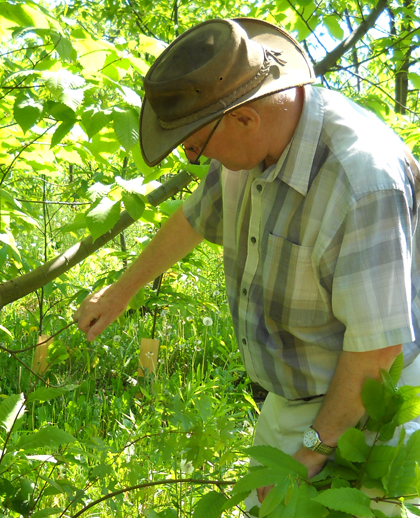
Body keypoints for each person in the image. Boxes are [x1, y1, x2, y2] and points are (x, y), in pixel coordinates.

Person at [75, 18, 420, 516]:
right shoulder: (242, 146)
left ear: (245, 119)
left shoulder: (362, 181)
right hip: (293, 400)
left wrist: (311, 453)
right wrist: (121, 291)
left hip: (374, 414)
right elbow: (197, 216)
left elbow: (376, 351)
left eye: (194, 143)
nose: (192, 158)